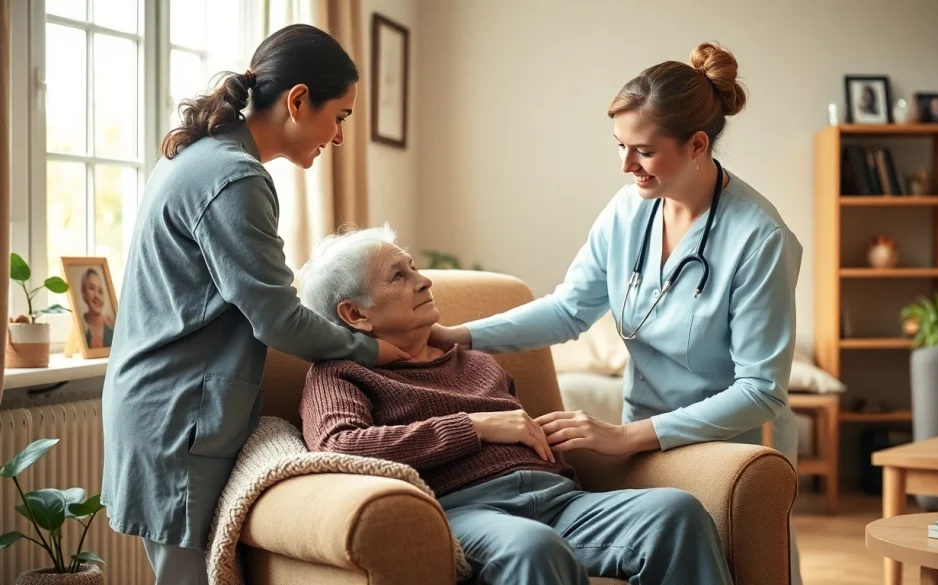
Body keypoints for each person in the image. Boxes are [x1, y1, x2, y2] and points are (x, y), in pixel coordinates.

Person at [429, 41, 805, 585]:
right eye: (621, 146)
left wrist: (627, 437)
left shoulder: (759, 238)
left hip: (726, 448)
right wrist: (456, 336)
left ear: (697, 144)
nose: (626, 165)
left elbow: (761, 391)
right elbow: (568, 311)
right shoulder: (628, 209)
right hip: (641, 443)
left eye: (644, 151)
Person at [100, 24, 410, 585]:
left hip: (159, 405)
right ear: (298, 100)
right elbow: (277, 318)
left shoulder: (201, 157)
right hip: (178, 415)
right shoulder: (234, 176)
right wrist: (372, 349)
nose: (341, 137)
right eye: (339, 116)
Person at [295, 225, 734, 585]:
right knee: (533, 549)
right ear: (356, 314)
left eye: (414, 268)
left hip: (560, 501)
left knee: (676, 513)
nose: (423, 280)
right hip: (462, 511)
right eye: (398, 276)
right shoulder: (340, 373)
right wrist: (475, 426)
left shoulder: (476, 362)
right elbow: (339, 446)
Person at [80, 268, 115, 348]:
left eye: (100, 291)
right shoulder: (80, 326)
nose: (97, 295)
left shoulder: (112, 324)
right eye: (91, 288)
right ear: (83, 293)